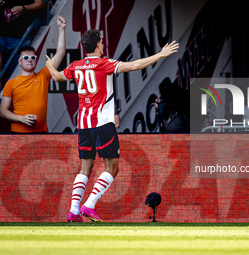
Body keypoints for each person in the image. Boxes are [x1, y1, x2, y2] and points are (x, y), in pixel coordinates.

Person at [45, 29, 179, 222]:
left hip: (83, 124)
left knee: (84, 168)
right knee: (112, 168)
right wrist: (160, 54)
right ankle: (89, 206)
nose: (103, 44)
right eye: (101, 41)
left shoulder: (76, 65)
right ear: (98, 44)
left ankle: (73, 211)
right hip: (102, 123)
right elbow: (134, 65)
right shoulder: (104, 64)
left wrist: (50, 66)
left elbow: (57, 77)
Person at [0, 15, 67, 133]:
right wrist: (21, 119)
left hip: (41, 133)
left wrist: (61, 29)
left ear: (36, 60)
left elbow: (60, 53)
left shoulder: (43, 75)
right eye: (25, 58)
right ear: (19, 62)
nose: (29, 60)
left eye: (33, 57)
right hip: (18, 133)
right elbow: (2, 111)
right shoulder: (11, 83)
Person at [0, 0, 47, 88]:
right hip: (2, 35)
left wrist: (23, 8)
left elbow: (41, 4)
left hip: (18, 35)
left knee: (15, 71)